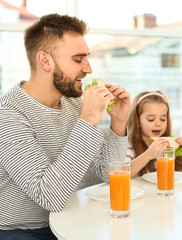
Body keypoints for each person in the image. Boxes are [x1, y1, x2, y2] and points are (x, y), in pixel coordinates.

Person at [0, 14, 131, 239]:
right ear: (45, 61)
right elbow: (50, 197)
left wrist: (118, 123)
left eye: (87, 58)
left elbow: (106, 174)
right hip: (24, 230)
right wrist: (87, 120)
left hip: (72, 218)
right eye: (78, 59)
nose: (88, 68)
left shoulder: (73, 103)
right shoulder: (9, 115)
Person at [127, 91, 182, 177]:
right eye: (151, 119)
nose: (158, 124)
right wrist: (149, 154)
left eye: (163, 119)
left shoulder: (170, 146)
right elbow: (123, 173)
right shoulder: (129, 146)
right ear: (137, 120)